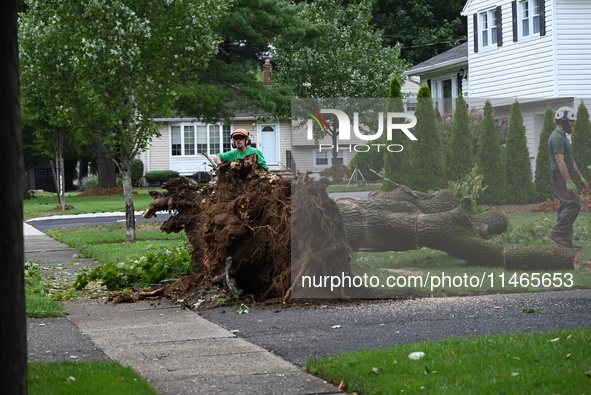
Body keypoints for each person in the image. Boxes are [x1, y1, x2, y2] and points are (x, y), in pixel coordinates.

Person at [546, 106, 589, 248]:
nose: (573, 123)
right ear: (564, 121)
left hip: (565, 176)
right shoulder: (557, 138)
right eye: (571, 121)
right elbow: (560, 161)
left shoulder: (563, 137)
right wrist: (568, 181)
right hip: (560, 177)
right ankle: (556, 233)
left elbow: (570, 160)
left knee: (565, 206)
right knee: (574, 204)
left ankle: (565, 242)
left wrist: (580, 177)